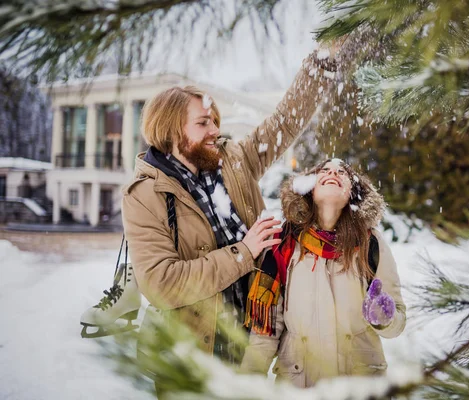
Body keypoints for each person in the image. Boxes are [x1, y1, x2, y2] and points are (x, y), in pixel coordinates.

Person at [121, 45, 339, 371]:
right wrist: (244, 253)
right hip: (188, 358)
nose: (215, 130)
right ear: (171, 130)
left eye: (215, 121)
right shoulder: (145, 195)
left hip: (249, 346)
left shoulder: (233, 160)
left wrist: (320, 65)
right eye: (203, 123)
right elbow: (162, 284)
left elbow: (284, 122)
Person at [241, 159, 407, 388]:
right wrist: (246, 386)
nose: (333, 172)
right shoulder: (283, 245)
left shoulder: (371, 244)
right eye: (325, 170)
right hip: (299, 388)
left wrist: (385, 319)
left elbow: (397, 323)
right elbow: (264, 333)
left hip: (359, 389)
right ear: (309, 188)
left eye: (342, 172)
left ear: (353, 193)